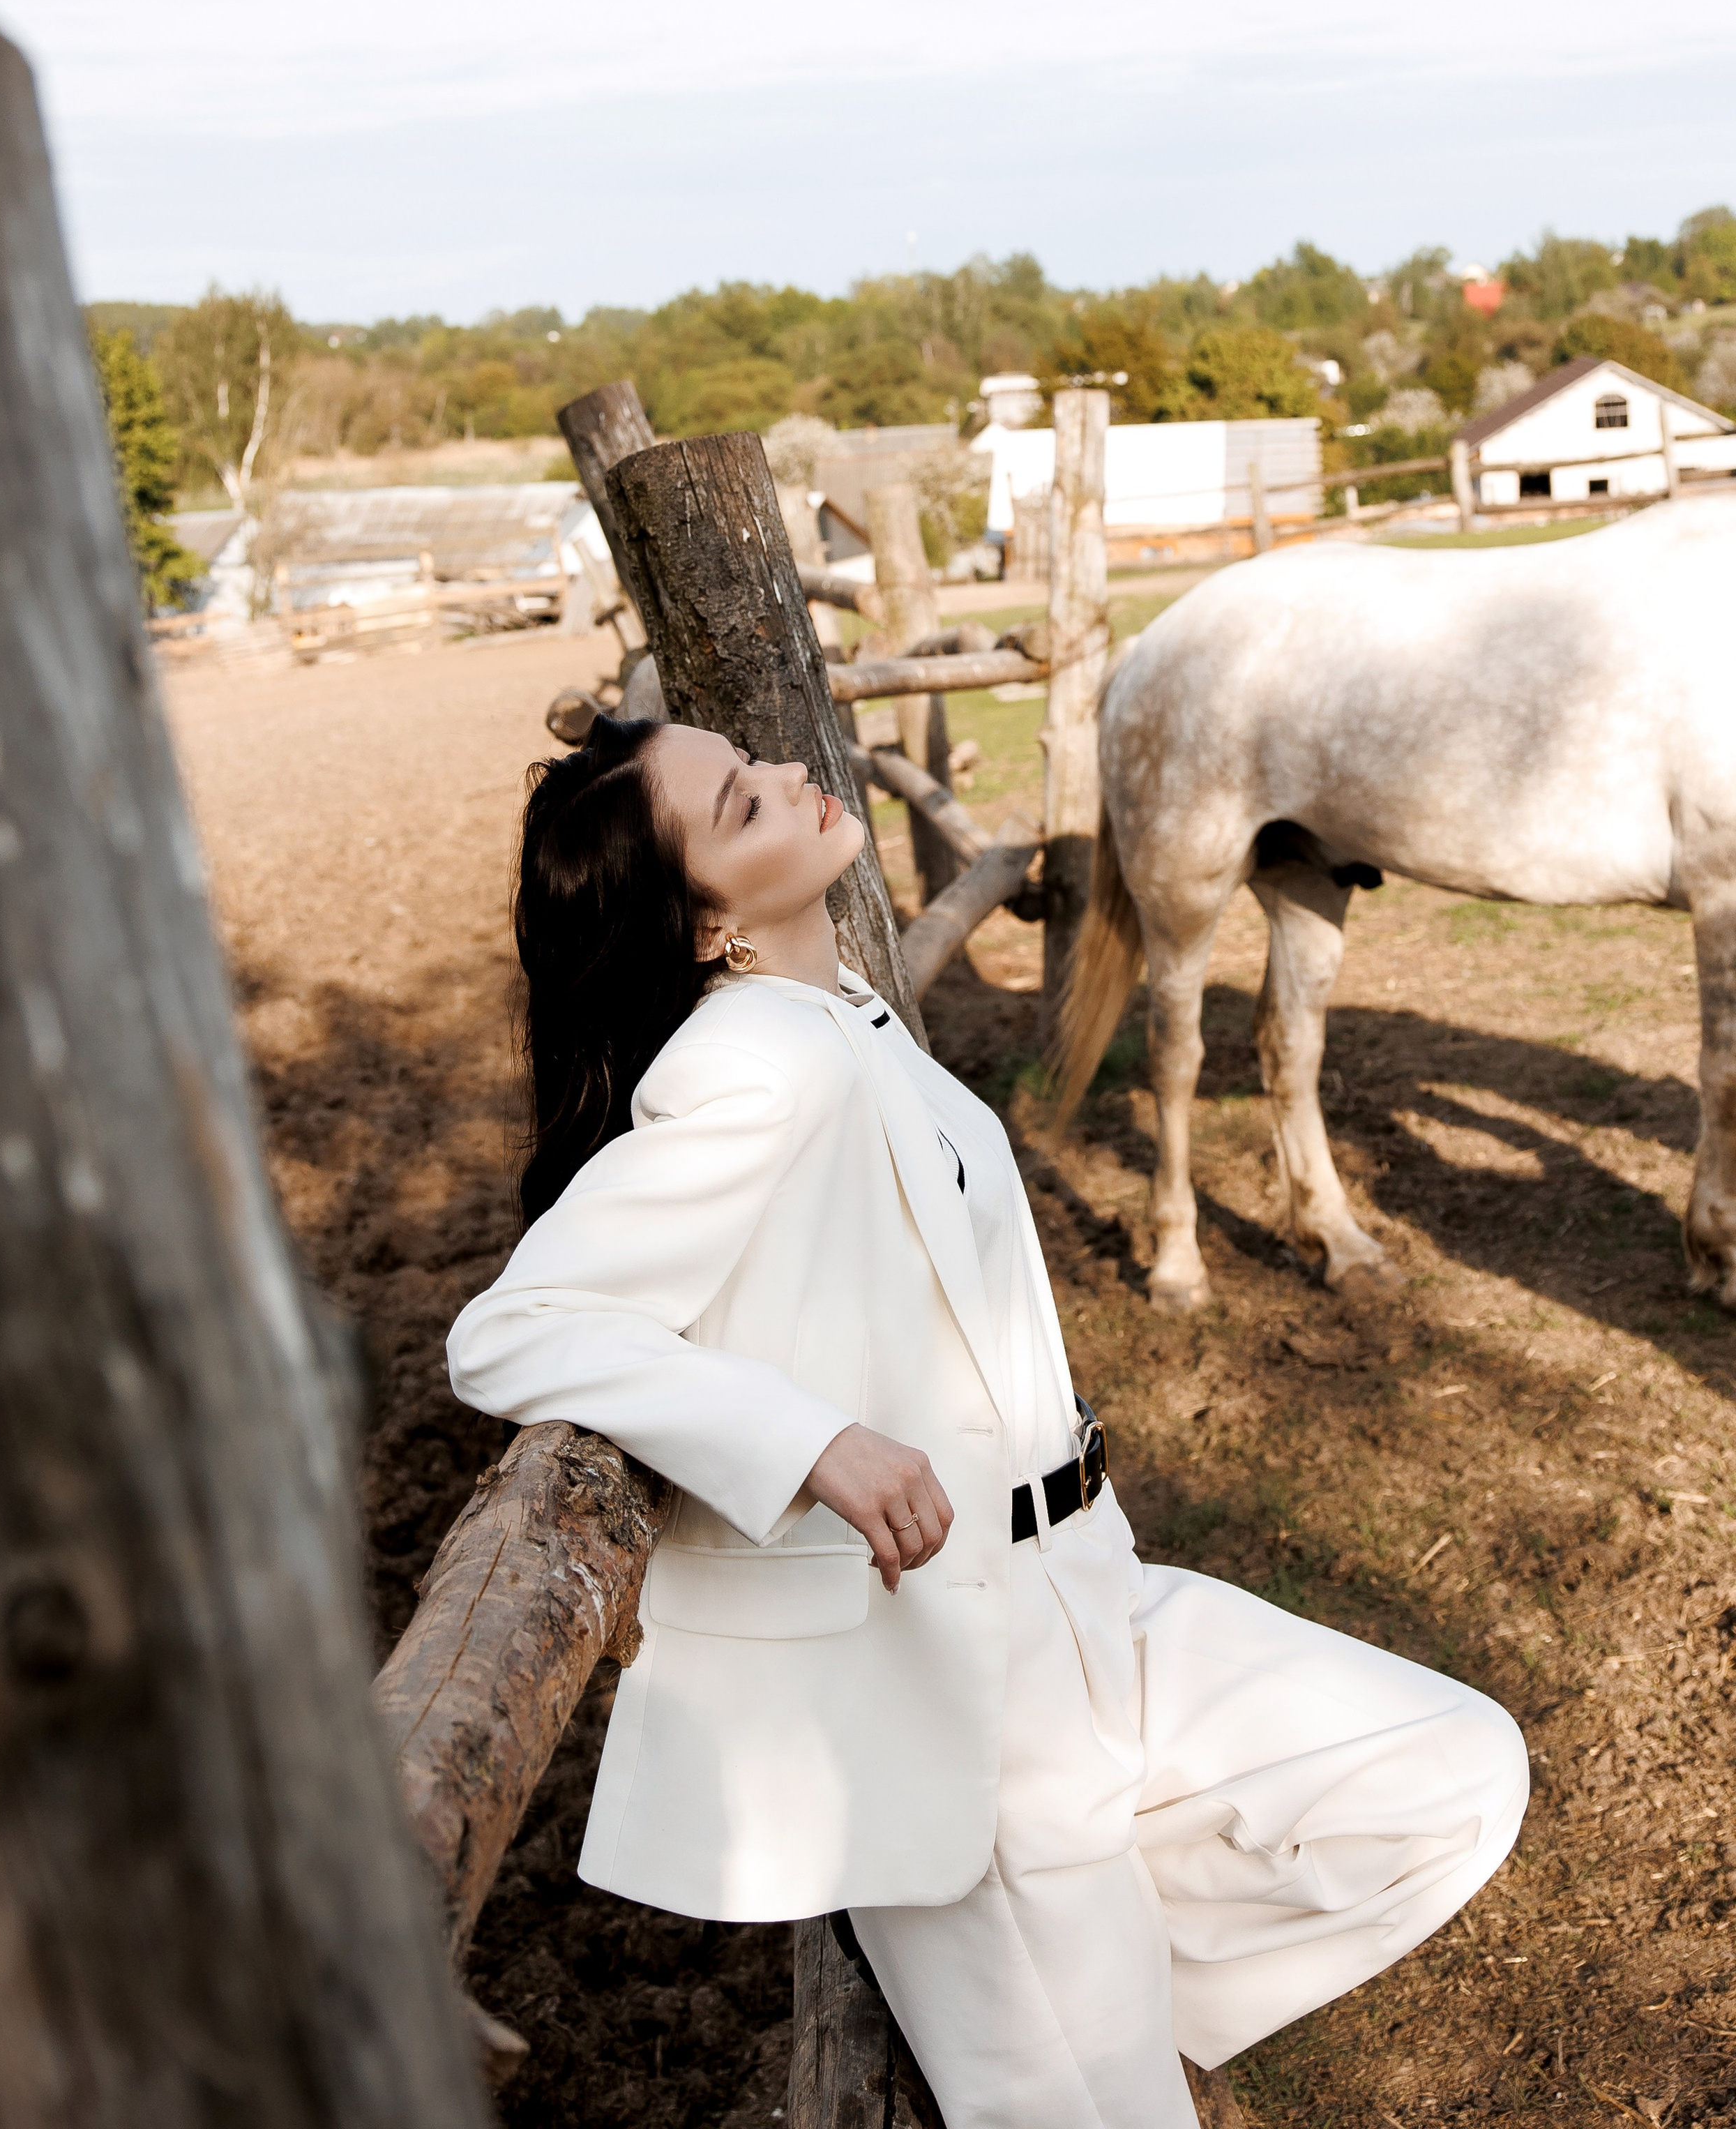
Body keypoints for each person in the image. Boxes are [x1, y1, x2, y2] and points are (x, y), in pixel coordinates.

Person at [446, 715, 1527, 2129]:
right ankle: (1072, 2021)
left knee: (1449, 1767)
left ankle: (1119, 2001)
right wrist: (808, 1442)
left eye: (753, 763)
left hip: (1086, 1597)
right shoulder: (753, 1063)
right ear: (704, 924)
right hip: (963, 1693)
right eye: (741, 804)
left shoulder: (843, 1012)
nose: (787, 776)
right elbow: (518, 1326)